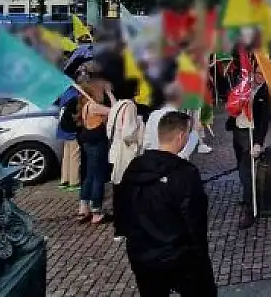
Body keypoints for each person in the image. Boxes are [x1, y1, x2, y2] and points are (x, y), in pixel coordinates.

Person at [115, 111, 218, 297]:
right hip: (179, 256)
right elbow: (195, 220)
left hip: (143, 255)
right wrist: (200, 256)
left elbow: (122, 211)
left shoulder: (134, 167)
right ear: (180, 136)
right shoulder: (185, 173)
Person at [226, 68, 271, 229]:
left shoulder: (266, 93)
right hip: (238, 131)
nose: (260, 76)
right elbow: (233, 102)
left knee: (247, 173)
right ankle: (248, 196)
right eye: (258, 73)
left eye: (263, 74)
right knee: (241, 168)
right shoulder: (244, 84)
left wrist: (258, 142)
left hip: (251, 134)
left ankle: (250, 208)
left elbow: (265, 119)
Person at [77, 78, 113, 225]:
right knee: (98, 177)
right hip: (97, 144)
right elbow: (116, 109)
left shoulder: (86, 105)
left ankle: (83, 208)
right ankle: (96, 212)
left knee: (90, 176)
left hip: (88, 144)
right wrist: (110, 94)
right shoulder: (94, 106)